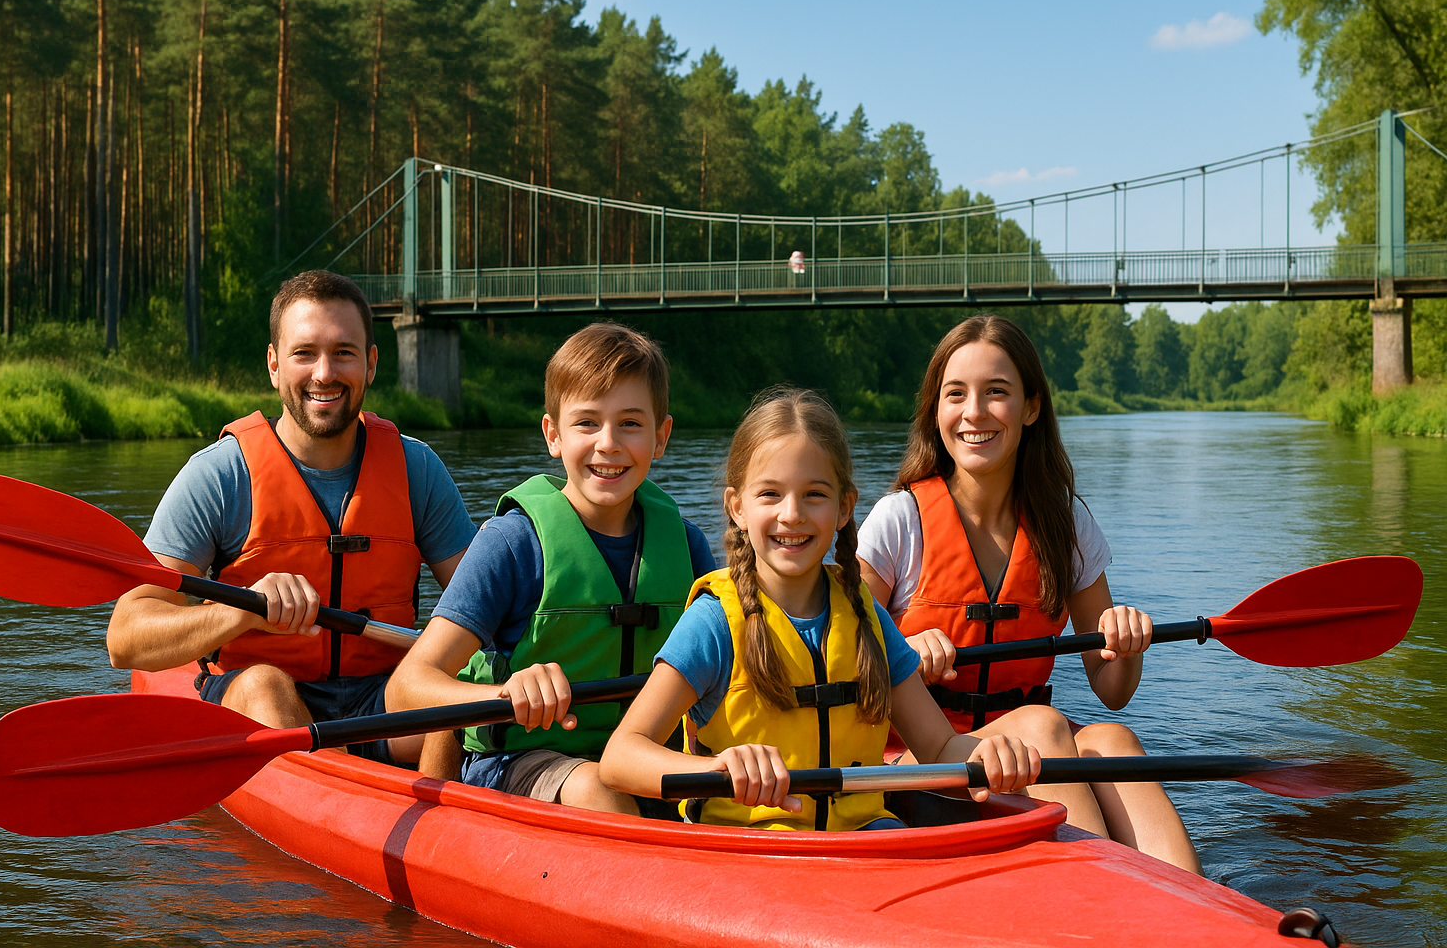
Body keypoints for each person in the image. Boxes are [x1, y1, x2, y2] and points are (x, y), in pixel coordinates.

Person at [599, 388, 1042, 831]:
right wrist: (718, 772)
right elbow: (620, 757)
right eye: (770, 494)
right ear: (738, 508)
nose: (792, 514)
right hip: (751, 853)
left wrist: (987, 754)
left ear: (844, 507)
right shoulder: (713, 622)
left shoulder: (865, 616)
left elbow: (939, 747)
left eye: (814, 494)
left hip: (864, 838)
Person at [856, 314, 1202, 871]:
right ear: (935, 410)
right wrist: (902, 654)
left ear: (1032, 408)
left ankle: (1199, 915)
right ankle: (1104, 903)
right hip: (914, 762)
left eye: (997, 392)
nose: (974, 412)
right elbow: (834, 657)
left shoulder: (1065, 527)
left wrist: (1126, 650)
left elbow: (1110, 689)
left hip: (1018, 760)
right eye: (956, 394)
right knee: (1045, 725)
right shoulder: (899, 521)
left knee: (1112, 739)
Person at [107, 270, 476, 767]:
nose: (324, 373)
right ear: (275, 365)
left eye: (343, 352)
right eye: (305, 353)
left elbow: (485, 610)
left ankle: (440, 818)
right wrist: (240, 611)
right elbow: (125, 638)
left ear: (370, 365)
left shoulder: (417, 470)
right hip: (261, 698)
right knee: (266, 685)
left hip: (384, 701)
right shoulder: (219, 475)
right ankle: (339, 799)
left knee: (460, 695)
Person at [387, 322, 716, 815]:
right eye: (587, 423)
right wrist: (505, 690)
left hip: (646, 762)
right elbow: (405, 689)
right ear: (553, 435)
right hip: (523, 761)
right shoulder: (512, 544)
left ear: (661, 436)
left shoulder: (687, 546)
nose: (608, 443)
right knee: (597, 790)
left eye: (630, 423)